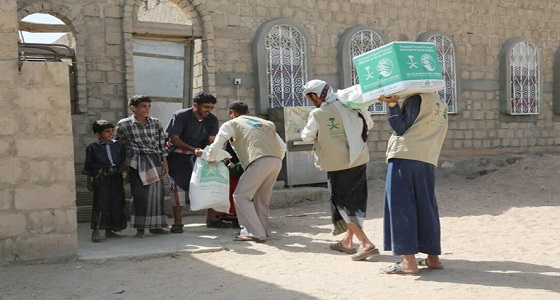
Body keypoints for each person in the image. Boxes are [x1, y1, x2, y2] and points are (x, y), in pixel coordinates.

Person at [300, 79, 379, 261]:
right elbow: (370, 124)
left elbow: (306, 136)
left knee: (342, 203)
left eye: (310, 98)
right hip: (358, 160)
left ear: (315, 95)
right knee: (355, 199)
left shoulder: (318, 113)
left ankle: (366, 243)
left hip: (337, 164)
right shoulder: (352, 106)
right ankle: (347, 242)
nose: (311, 101)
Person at [377, 93, 448, 275]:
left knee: (402, 206)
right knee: (427, 206)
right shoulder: (440, 103)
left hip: (405, 157)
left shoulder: (418, 98)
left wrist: (393, 103)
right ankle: (433, 258)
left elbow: (399, 127)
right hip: (427, 158)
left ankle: (408, 262)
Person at [206, 101, 286, 243]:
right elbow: (282, 146)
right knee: (262, 199)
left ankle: (254, 233)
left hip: (258, 160)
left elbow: (217, 143)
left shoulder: (232, 123)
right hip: (276, 161)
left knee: (240, 196)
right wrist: (275, 160)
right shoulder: (266, 123)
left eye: (230, 114)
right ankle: (262, 230)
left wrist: (211, 159)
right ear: (247, 112)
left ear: (233, 112)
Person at [165, 92, 231, 233]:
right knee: (178, 187)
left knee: (211, 182)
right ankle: (177, 223)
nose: (209, 110)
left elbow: (212, 140)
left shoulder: (212, 119)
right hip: (179, 156)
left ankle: (212, 219)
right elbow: (174, 138)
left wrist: (215, 155)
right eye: (206, 106)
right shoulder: (181, 115)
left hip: (202, 156)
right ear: (196, 105)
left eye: (212, 107)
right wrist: (193, 149)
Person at [115, 95, 169, 238]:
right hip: (136, 162)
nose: (147, 109)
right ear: (133, 107)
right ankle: (140, 228)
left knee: (157, 195)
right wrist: (124, 166)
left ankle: (156, 226)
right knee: (140, 195)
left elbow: (161, 144)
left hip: (154, 160)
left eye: (149, 106)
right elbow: (118, 146)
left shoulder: (156, 123)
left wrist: (165, 162)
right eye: (144, 106)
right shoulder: (124, 124)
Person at [82, 120, 128, 242]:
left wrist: (125, 174)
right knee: (100, 204)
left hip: (116, 177)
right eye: (107, 131)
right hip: (101, 178)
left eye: (112, 131)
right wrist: (89, 181)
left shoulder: (118, 145)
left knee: (116, 202)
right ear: (98, 134)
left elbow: (124, 160)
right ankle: (96, 232)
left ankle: (110, 230)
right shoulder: (92, 148)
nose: (111, 133)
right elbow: (88, 166)